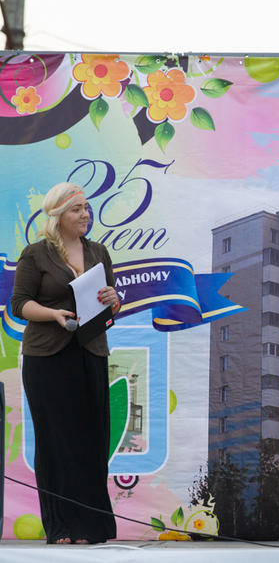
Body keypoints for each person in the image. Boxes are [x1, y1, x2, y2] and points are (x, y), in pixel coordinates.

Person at [11, 182, 121, 545]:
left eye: (86, 208)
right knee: (56, 442)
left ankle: (92, 527)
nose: (85, 214)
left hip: (91, 352)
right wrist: (53, 314)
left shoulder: (99, 252)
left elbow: (111, 305)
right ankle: (60, 527)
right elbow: (19, 304)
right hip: (48, 357)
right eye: (77, 209)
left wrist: (114, 298)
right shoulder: (36, 254)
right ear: (58, 216)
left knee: (92, 440)